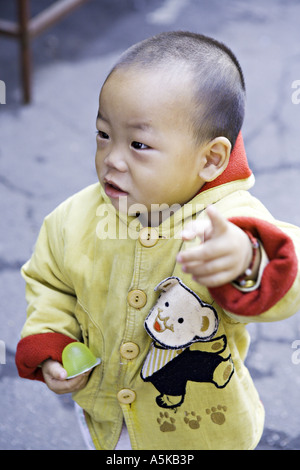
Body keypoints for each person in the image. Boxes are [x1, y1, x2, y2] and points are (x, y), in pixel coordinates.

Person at [15, 31, 300, 450]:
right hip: (106, 421)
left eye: (139, 144)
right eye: (103, 133)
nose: (112, 158)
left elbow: (288, 273)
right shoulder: (72, 218)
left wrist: (247, 259)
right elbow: (50, 283)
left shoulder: (231, 224)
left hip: (199, 432)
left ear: (210, 159)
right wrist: (54, 342)